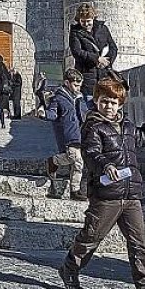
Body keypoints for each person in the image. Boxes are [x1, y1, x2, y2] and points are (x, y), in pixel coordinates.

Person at [58, 77, 145, 289]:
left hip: (131, 195)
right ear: (96, 101)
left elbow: (141, 138)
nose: (108, 106)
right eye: (104, 101)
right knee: (90, 238)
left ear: (120, 104)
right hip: (106, 194)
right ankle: (70, 267)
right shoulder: (92, 126)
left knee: (139, 244)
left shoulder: (128, 125)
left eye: (113, 102)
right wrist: (105, 165)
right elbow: (91, 153)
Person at [44, 68, 89, 200]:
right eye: (75, 85)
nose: (78, 88)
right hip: (67, 134)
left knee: (75, 160)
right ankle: (74, 190)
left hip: (79, 133)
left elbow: (85, 113)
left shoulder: (80, 98)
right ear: (67, 83)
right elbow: (53, 113)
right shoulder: (58, 98)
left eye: (79, 85)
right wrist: (44, 114)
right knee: (77, 160)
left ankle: (54, 161)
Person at [69, 2, 117, 99]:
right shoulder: (75, 33)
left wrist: (107, 62)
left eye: (88, 21)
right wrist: (97, 59)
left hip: (104, 76)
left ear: (93, 18)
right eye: (83, 21)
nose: (86, 24)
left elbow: (113, 48)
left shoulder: (103, 29)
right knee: (89, 107)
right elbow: (77, 52)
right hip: (87, 77)